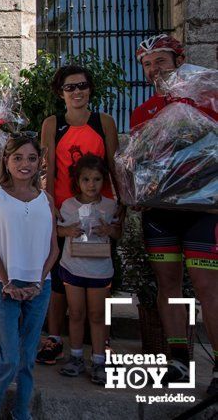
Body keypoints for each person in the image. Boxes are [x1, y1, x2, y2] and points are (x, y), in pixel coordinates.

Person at [131, 34, 218, 395]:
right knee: (167, 284)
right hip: (161, 211)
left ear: (179, 61)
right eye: (148, 65)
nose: (154, 70)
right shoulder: (143, 111)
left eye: (161, 62)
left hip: (204, 210)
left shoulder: (208, 100)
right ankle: (177, 359)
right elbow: (138, 162)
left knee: (207, 287)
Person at [37, 65, 119, 366]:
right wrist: (51, 208)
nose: (77, 92)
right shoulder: (52, 123)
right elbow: (47, 171)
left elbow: (114, 165)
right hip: (65, 213)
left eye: (82, 85)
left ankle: (102, 346)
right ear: (61, 93)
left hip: (101, 214)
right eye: (70, 87)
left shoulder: (104, 122)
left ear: (90, 89)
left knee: (102, 280)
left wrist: (119, 207)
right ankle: (56, 339)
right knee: (58, 280)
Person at [0, 135, 58, 420]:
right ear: (6, 162)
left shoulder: (46, 199)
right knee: (10, 357)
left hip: (38, 288)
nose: (25, 164)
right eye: (18, 158)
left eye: (32, 158)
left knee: (28, 359)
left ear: (39, 162)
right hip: (4, 286)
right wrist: (7, 281)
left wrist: (39, 282)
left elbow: (54, 247)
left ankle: (22, 412)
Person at [55, 154, 118, 385]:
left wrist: (109, 231)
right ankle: (76, 356)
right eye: (86, 180)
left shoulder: (110, 206)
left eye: (97, 179)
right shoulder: (68, 205)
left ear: (104, 181)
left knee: (97, 315)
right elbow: (58, 230)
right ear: (77, 181)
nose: (91, 185)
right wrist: (66, 232)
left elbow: (118, 232)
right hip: (73, 267)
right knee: (77, 313)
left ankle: (99, 360)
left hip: (100, 270)